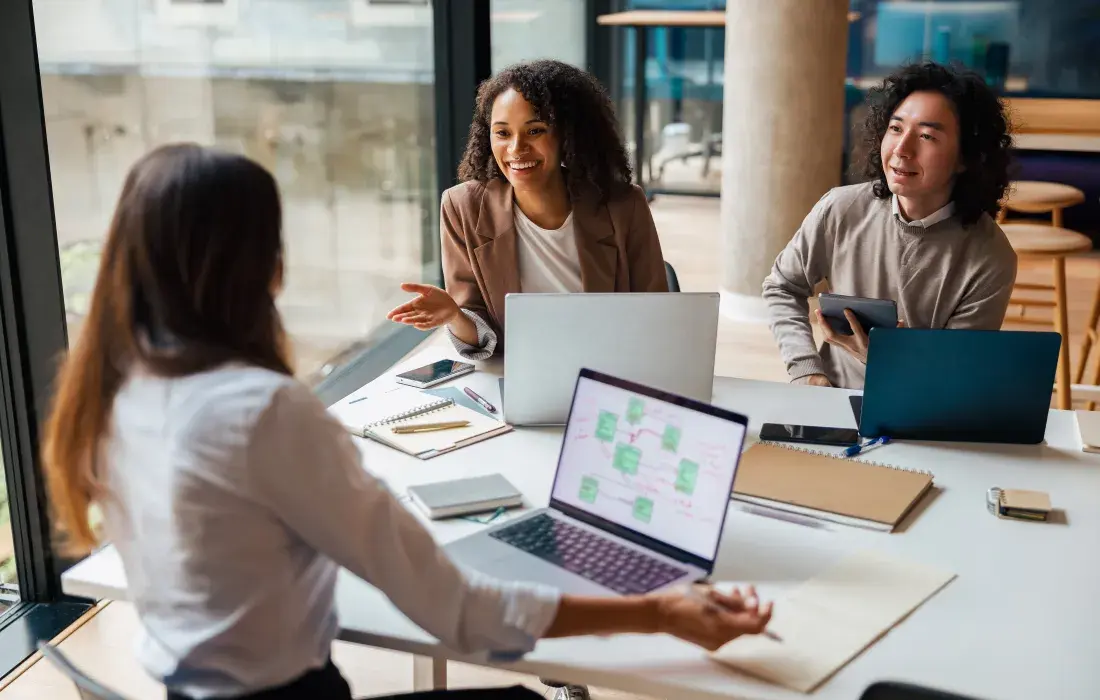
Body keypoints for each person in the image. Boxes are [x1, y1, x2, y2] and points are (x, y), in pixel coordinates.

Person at [40, 144, 773, 700]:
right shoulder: (260, 411)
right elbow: (458, 611)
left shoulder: (113, 392)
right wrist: (659, 614)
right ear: (260, 266)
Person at [387, 60, 668, 360]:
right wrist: (454, 315)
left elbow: (657, 318)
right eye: (503, 133)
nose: (516, 148)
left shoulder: (623, 205)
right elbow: (482, 336)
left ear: (567, 136)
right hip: (518, 371)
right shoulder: (462, 207)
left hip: (608, 368)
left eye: (535, 131)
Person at [762, 62, 1017, 390]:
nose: (901, 149)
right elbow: (782, 286)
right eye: (896, 129)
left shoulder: (990, 257)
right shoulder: (841, 209)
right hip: (832, 401)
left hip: (922, 414)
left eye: (926, 136)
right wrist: (807, 369)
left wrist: (882, 358)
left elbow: (953, 377)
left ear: (965, 157)